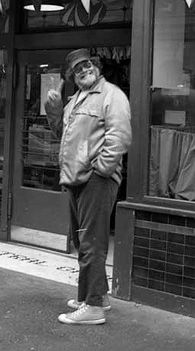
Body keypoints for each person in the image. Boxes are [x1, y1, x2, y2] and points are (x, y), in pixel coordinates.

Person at [45, 48, 132, 325]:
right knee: (84, 240)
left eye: (87, 65)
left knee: (91, 242)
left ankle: (93, 308)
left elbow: (119, 136)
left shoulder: (111, 95)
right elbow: (61, 133)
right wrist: (54, 109)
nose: (84, 71)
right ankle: (95, 296)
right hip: (76, 178)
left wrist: (102, 170)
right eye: (77, 70)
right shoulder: (76, 99)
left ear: (96, 66)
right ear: (72, 77)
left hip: (95, 179)